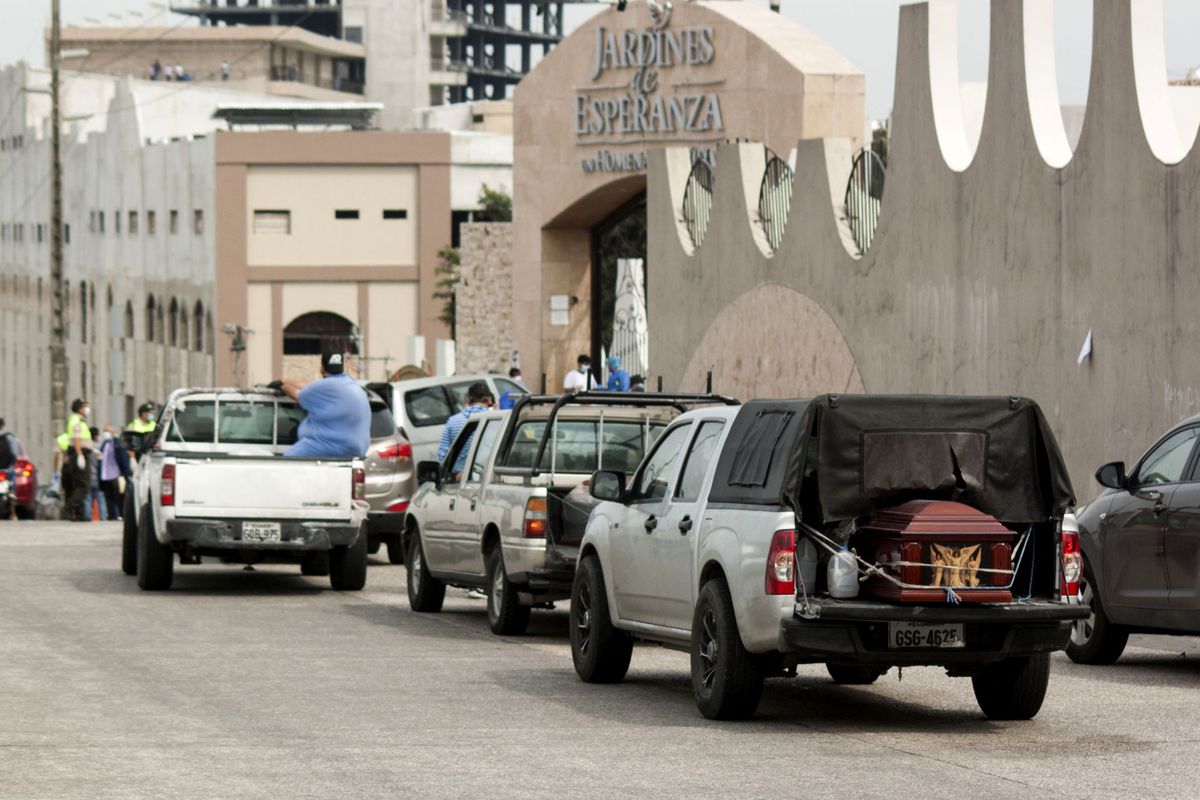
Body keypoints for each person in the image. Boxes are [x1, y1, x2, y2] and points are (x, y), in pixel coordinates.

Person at [272, 352, 370, 458]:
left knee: (286, 460)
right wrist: (285, 380)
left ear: (322, 368)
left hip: (330, 445)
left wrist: (282, 386)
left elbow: (298, 395)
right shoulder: (351, 385)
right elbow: (309, 385)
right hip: (357, 450)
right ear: (341, 367)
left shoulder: (324, 386)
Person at [437, 382, 494, 479]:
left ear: (468, 400)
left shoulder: (453, 421)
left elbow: (443, 456)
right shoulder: (496, 421)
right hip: (487, 478)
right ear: (489, 400)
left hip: (459, 479)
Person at [62, 399, 93, 522]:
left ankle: (79, 514)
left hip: (79, 453)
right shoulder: (76, 420)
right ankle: (68, 508)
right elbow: (76, 439)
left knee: (78, 484)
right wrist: (80, 454)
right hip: (78, 454)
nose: (87, 410)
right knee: (83, 485)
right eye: (85, 407)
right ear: (80, 409)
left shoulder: (78, 420)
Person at [99, 425, 130, 520]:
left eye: (107, 431)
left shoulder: (118, 443)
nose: (105, 433)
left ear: (113, 432)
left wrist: (125, 473)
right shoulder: (105, 443)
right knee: (108, 497)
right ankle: (112, 515)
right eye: (104, 431)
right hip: (105, 475)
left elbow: (123, 458)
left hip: (116, 474)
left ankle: (122, 514)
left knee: (119, 496)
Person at [83, 426, 107, 521]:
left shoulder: (86, 448)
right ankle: (103, 517)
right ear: (96, 436)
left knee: (88, 498)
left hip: (88, 476)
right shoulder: (101, 447)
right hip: (99, 476)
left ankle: (87, 516)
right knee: (101, 498)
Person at [0, 418, 18, 519]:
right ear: (2, 425)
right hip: (7, 468)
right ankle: (13, 513)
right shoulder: (9, 437)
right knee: (12, 489)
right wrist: (12, 463)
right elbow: (15, 453)